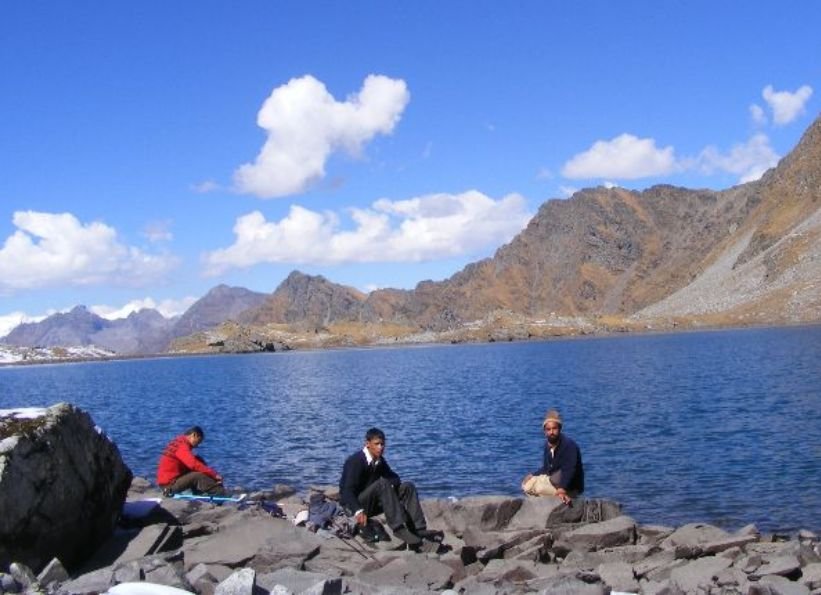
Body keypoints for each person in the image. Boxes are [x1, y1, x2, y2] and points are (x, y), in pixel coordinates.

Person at [339, 427, 438, 547]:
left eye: (382, 444)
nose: (380, 447)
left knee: (408, 486)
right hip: (355, 505)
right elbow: (346, 491)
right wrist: (358, 511)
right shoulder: (355, 461)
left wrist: (390, 487)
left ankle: (418, 527)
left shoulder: (379, 461)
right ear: (367, 444)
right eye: (377, 444)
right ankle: (398, 528)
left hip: (373, 502)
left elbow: (395, 478)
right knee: (382, 484)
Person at [521, 409, 584, 505]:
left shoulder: (569, 446)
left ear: (560, 429)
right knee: (526, 485)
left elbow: (570, 469)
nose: (551, 432)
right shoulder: (548, 445)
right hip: (555, 480)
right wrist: (533, 475)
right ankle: (544, 503)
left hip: (570, 486)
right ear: (544, 431)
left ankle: (561, 500)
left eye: (554, 428)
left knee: (539, 488)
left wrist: (562, 489)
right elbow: (547, 468)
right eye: (548, 429)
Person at [156, 426, 226, 496]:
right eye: (198, 442)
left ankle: (201, 490)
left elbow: (194, 463)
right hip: (168, 487)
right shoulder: (181, 445)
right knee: (197, 475)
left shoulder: (179, 441)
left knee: (199, 460)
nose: (197, 446)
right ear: (194, 435)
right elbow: (193, 464)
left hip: (170, 481)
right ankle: (220, 493)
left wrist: (211, 476)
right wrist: (214, 475)